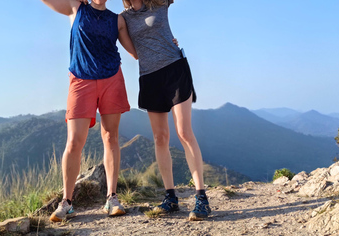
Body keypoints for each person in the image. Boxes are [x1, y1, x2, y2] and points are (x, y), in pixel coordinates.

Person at [41, 0, 138, 222]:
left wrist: (166, 42)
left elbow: (134, 52)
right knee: (74, 142)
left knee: (111, 137)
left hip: (112, 79)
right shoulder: (76, 8)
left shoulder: (117, 20)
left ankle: (111, 198)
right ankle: (66, 202)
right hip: (81, 80)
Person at [120, 0, 211, 221]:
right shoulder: (122, 19)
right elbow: (134, 53)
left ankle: (201, 198)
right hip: (150, 77)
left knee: (184, 132)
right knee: (160, 137)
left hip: (175, 70)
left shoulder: (158, 4)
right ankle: (170, 198)